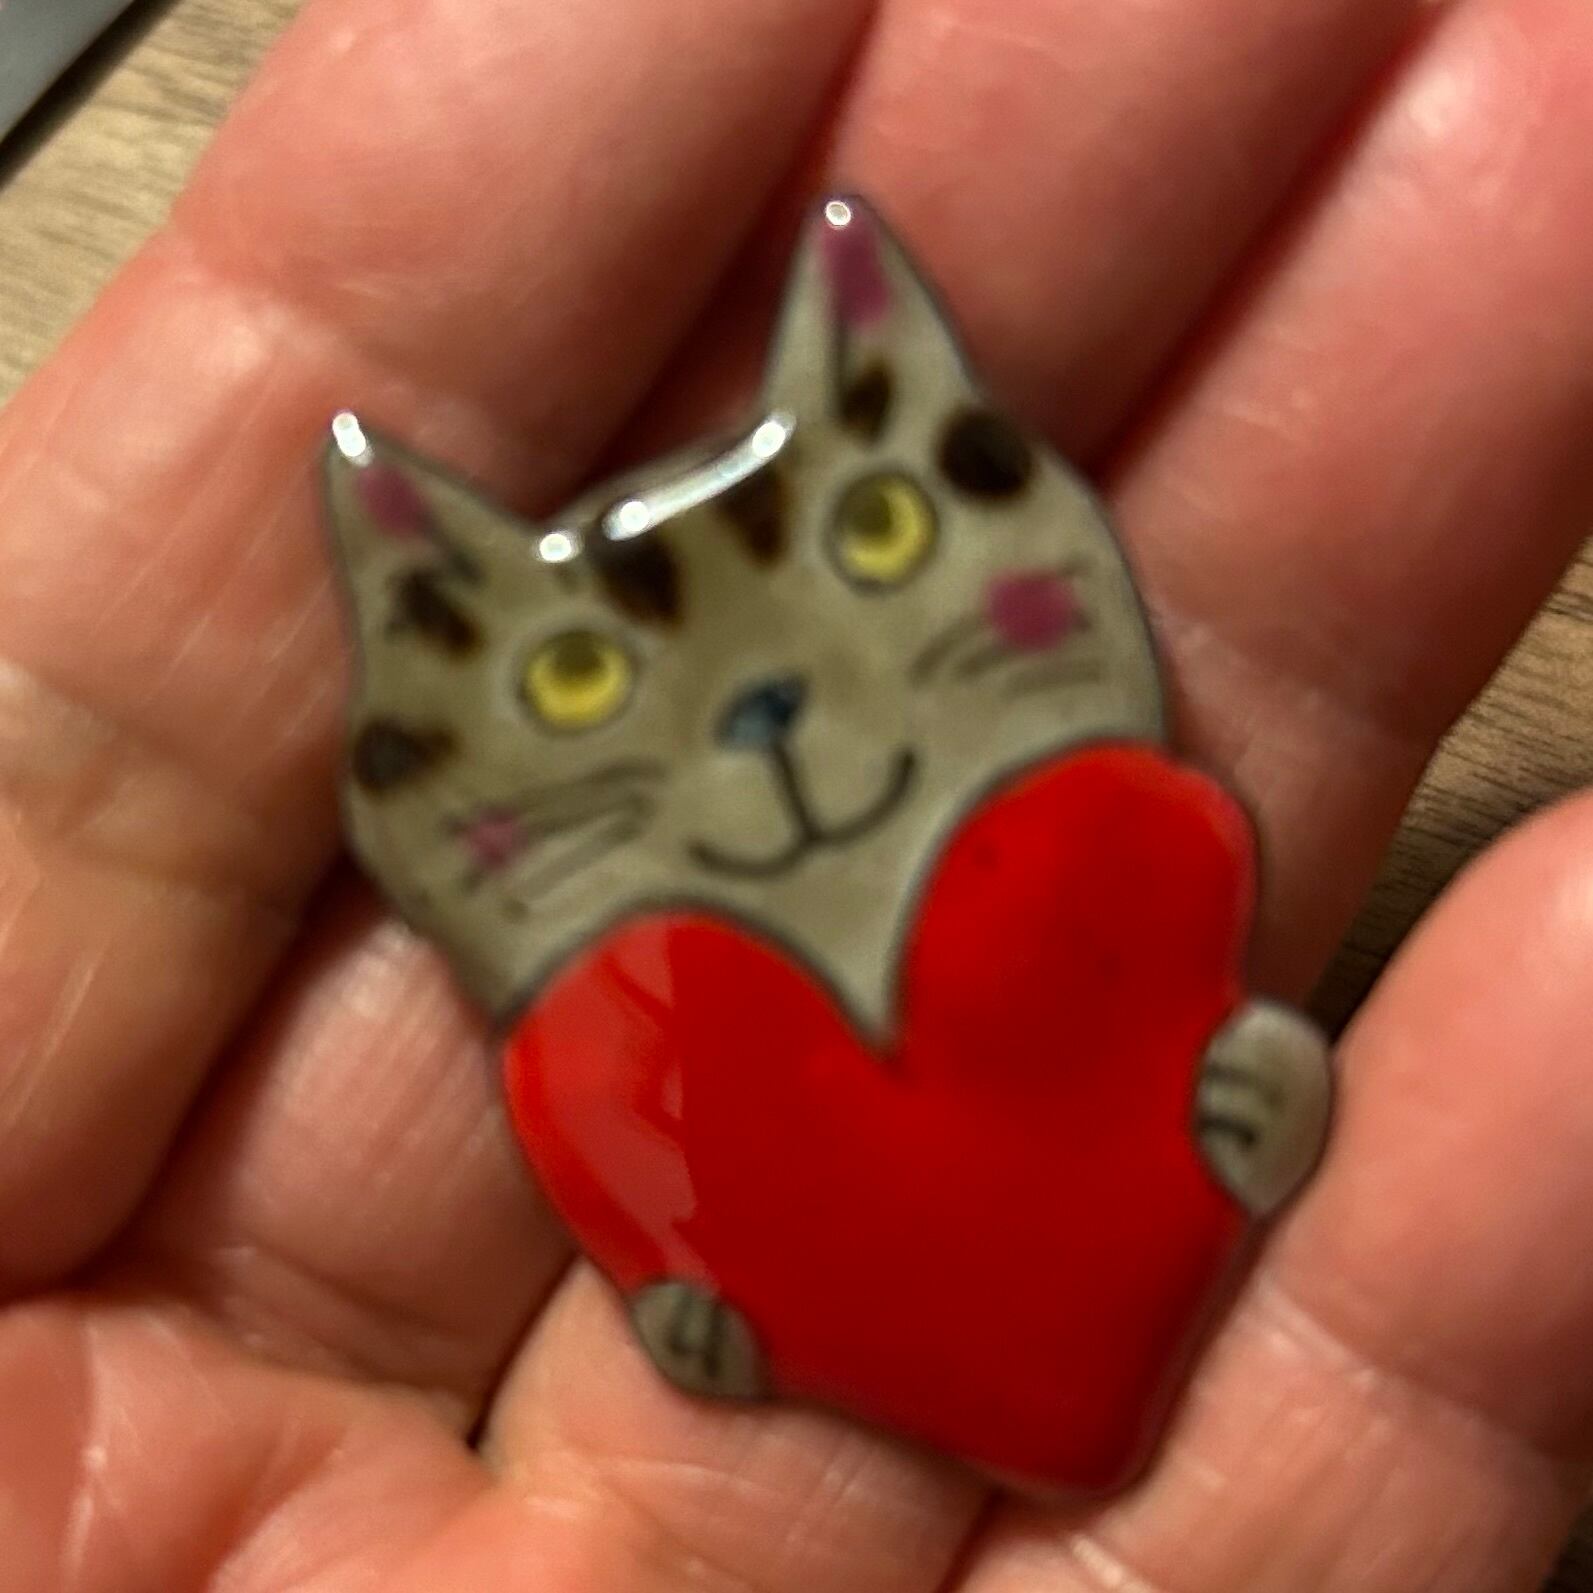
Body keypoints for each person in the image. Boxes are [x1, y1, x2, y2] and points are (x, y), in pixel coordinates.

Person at [1, 0, 1591, 1587]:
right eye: (580, 676)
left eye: (873, 541)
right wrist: (702, 1290)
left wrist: (1231, 1095)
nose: (760, 720)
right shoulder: (611, 1038)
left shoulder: (1115, 838)